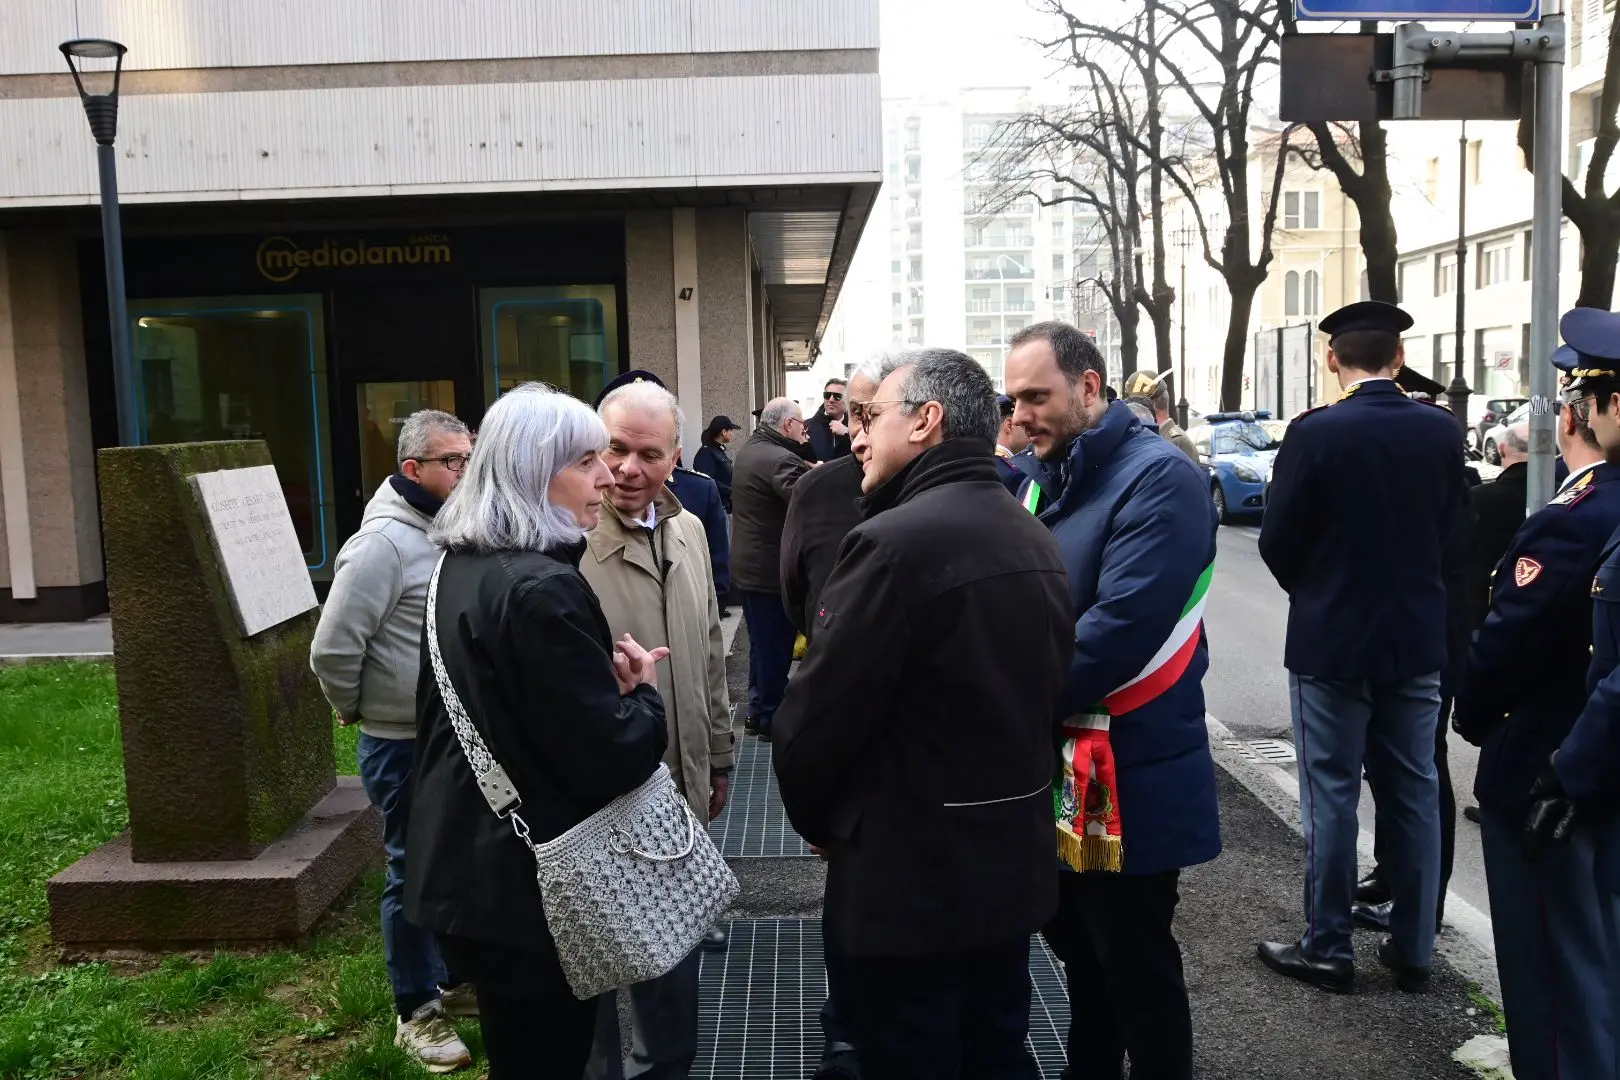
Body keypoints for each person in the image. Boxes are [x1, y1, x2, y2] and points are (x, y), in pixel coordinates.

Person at [773, 347, 1073, 1080]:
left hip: (904, 883)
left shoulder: (890, 543)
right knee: (993, 1048)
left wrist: (826, 821)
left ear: (926, 421)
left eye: (871, 417)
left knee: (906, 1051)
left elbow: (813, 724)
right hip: (1006, 875)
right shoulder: (1031, 534)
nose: (853, 434)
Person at [405, 384, 670, 1080]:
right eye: (587, 461)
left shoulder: (458, 567)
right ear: (531, 471)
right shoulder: (542, 587)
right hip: (530, 890)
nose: (608, 476)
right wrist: (643, 698)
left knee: (519, 1053)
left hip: (467, 869)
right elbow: (612, 755)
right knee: (547, 1057)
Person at [1005, 322, 1220, 1080]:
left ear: (1090, 388)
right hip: (1070, 766)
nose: (1020, 414)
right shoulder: (1047, 475)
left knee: (1134, 964)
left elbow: (1114, 633)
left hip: (1130, 771)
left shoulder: (1160, 478)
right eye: (1014, 398)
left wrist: (993, 700)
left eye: (1037, 396)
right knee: (1084, 955)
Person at [1255, 300, 1470, 995]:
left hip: (1332, 638)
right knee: (1414, 790)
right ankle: (1413, 949)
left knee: (1333, 796)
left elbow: (1278, 537)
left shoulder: (1316, 432)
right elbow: (1452, 533)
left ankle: (1328, 946)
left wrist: (1317, 592)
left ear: (1331, 359)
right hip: (1415, 637)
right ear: (1399, 359)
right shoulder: (1439, 430)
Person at [1453, 318, 1620, 1080]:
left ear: (1577, 412)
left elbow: (1503, 646)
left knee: (1552, 982)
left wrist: (1474, 716)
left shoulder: (1572, 520)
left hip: (1549, 767)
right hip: (1590, 764)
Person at [309, 409, 476, 1073]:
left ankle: (457, 984)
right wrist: (354, 708)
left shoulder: (450, 528)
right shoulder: (380, 544)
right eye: (452, 462)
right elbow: (332, 648)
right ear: (414, 470)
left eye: (469, 458)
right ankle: (417, 1011)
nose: (466, 471)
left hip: (455, 733)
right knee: (414, 869)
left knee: (459, 864)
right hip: (401, 742)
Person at [580, 379, 734, 1080]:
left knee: (672, 977)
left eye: (648, 453)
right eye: (615, 449)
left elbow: (707, 653)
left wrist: (720, 758)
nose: (629, 470)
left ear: (677, 458)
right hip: (600, 799)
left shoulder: (691, 530)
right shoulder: (566, 545)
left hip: (684, 784)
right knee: (593, 981)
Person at [779, 356, 886, 1080]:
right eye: (850, 415)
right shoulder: (818, 489)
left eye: (871, 416)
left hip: (921, 746)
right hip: (841, 717)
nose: (854, 432)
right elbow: (795, 592)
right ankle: (845, 1031)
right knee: (849, 892)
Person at [730, 397, 812, 740]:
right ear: (788, 425)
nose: (805, 430)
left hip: (751, 567)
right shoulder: (779, 457)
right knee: (775, 649)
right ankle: (770, 720)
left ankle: (756, 711)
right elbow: (804, 499)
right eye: (801, 424)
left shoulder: (752, 449)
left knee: (762, 646)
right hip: (768, 572)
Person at [1124, 368, 1199, 463]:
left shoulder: (1177, 441)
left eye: (1136, 404)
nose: (1132, 409)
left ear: (1150, 405)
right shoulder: (1157, 437)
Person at [693, 415, 742, 512]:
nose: (732, 434)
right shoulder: (706, 453)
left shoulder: (718, 451)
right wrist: (730, 491)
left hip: (723, 505)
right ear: (723, 432)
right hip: (714, 508)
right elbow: (705, 480)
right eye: (731, 430)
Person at [806, 378, 853, 461]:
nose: (831, 400)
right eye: (827, 395)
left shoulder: (856, 426)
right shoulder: (806, 426)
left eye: (837, 396)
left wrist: (847, 433)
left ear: (847, 400)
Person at [992, 392, 1030, 493]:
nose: (1029, 433)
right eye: (1024, 426)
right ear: (1009, 426)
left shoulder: (981, 463)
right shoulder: (1014, 475)